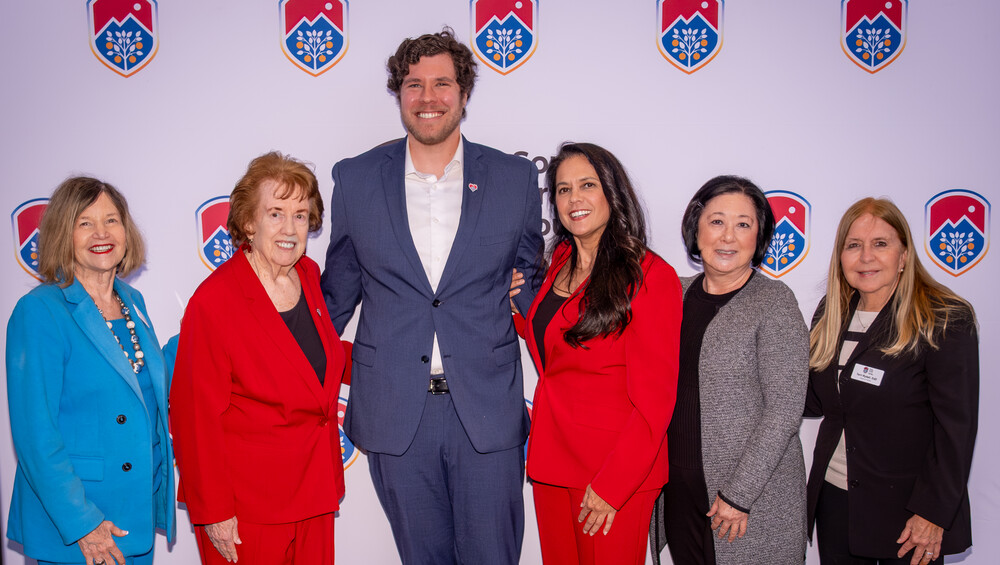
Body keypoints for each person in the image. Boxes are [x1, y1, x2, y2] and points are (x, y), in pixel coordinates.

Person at [321, 28, 543, 564]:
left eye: (442, 83)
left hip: (487, 411)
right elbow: (336, 295)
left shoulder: (514, 179)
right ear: (398, 93)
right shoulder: (355, 178)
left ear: (464, 94)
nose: (428, 98)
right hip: (397, 412)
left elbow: (532, 277)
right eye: (414, 85)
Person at [170, 152, 346, 564]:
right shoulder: (214, 301)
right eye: (276, 213)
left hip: (315, 492)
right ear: (248, 222)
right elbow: (196, 415)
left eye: (300, 215)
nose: (290, 228)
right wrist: (214, 512)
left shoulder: (307, 275)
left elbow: (310, 361)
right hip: (249, 509)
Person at [515, 142, 682, 564]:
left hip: (610, 472)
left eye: (587, 185)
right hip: (553, 461)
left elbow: (655, 403)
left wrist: (613, 485)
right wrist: (519, 312)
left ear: (612, 191)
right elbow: (565, 347)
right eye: (563, 189)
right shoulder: (563, 260)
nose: (574, 199)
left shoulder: (650, 276)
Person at [6, 177, 174, 565]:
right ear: (64, 234)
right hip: (83, 526)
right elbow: (35, 435)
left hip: (135, 512)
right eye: (85, 223)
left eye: (111, 220)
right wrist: (83, 523)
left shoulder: (133, 301)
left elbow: (138, 380)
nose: (101, 233)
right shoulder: (41, 311)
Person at [804, 198, 978, 565]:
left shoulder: (942, 318)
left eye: (880, 244)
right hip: (836, 502)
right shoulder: (831, 313)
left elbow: (955, 431)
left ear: (904, 256)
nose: (866, 256)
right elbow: (815, 400)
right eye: (854, 245)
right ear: (841, 257)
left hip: (909, 513)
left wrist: (932, 513)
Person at [649, 175, 809, 565]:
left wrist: (739, 494)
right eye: (717, 221)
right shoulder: (672, 293)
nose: (729, 237)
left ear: (759, 236)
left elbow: (785, 409)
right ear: (696, 229)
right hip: (681, 495)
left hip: (747, 501)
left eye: (744, 224)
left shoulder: (774, 302)